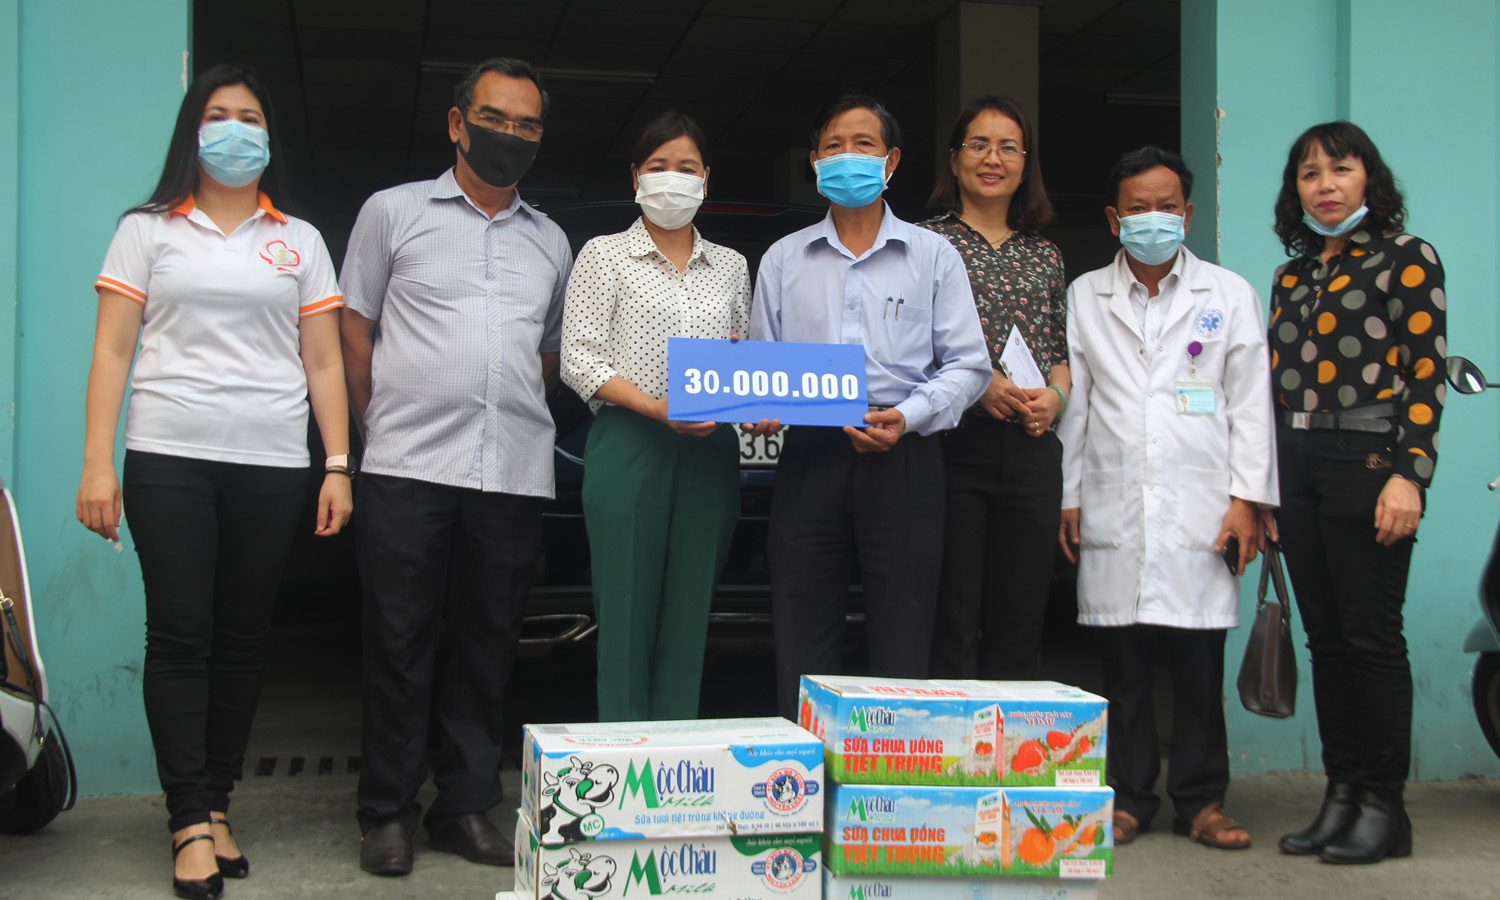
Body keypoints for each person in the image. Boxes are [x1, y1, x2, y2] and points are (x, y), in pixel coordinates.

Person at [76, 63, 352, 900]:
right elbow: (114, 350)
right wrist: (97, 461)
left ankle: (219, 802)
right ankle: (187, 818)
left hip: (272, 459)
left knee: (242, 638)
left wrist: (337, 463)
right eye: (219, 115)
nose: (236, 129)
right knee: (181, 635)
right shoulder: (148, 230)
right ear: (193, 132)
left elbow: (324, 360)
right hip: (169, 457)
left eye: (251, 116)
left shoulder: (299, 240)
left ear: (271, 137)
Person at [339, 57, 571, 876]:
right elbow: (355, 335)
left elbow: (546, 355)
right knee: (399, 642)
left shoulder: (550, 240)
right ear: (456, 122)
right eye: (496, 117)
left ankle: (465, 806)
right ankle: (388, 814)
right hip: (407, 464)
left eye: (528, 125)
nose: (510, 134)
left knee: (488, 646)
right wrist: (384, 425)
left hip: (509, 471)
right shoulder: (392, 214)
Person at [1056, 146, 1276, 851]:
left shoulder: (1228, 293)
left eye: (1166, 206)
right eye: (1138, 208)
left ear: (1187, 212)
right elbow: (1078, 405)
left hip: (1202, 506)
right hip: (1113, 496)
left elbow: (1251, 405)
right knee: (1123, 668)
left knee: (1196, 662)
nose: (1154, 218)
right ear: (1115, 217)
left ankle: (1202, 800)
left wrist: (1248, 499)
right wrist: (1069, 497)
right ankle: (1128, 798)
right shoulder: (1088, 294)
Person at [749, 94, 990, 719]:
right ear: (814, 161)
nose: (848, 157)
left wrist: (908, 415)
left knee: (904, 632)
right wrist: (761, 404)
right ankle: (802, 786)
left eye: (864, 145)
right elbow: (762, 362)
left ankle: (893, 796)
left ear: (892, 160)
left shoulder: (933, 255)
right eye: (834, 146)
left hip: (904, 454)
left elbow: (969, 365)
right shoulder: (784, 258)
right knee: (802, 627)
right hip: (810, 455)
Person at [1262, 122, 1444, 865]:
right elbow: (1270, 388)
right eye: (1310, 173)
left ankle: (1384, 807)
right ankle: (1340, 794)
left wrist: (1411, 474)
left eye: (1341, 169)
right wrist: (1266, 486)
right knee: (1326, 640)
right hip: (1297, 460)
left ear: (1369, 178)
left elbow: (1426, 374)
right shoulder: (1293, 275)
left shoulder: (1405, 257)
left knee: (1372, 639)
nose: (1326, 184)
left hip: (1370, 460)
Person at [561, 111, 763, 721]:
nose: (672, 179)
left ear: (706, 178)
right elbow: (577, 356)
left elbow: (742, 355)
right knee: (623, 609)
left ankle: (674, 774)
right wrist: (655, 406)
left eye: (686, 167)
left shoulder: (731, 265)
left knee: (689, 610)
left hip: (709, 452)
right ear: (635, 177)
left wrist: (757, 406)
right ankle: (624, 761)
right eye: (658, 167)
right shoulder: (604, 255)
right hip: (630, 441)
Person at [920, 95, 1070, 680]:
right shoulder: (925, 243)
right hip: (954, 445)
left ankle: (1009, 762)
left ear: (1025, 164)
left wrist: (1055, 397)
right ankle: (950, 760)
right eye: (978, 145)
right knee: (953, 614)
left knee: (1021, 616)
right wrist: (976, 384)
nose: (993, 158)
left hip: (1033, 448)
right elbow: (909, 348)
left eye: (1008, 147)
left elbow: (1060, 350)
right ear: (955, 160)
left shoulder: (1047, 254)